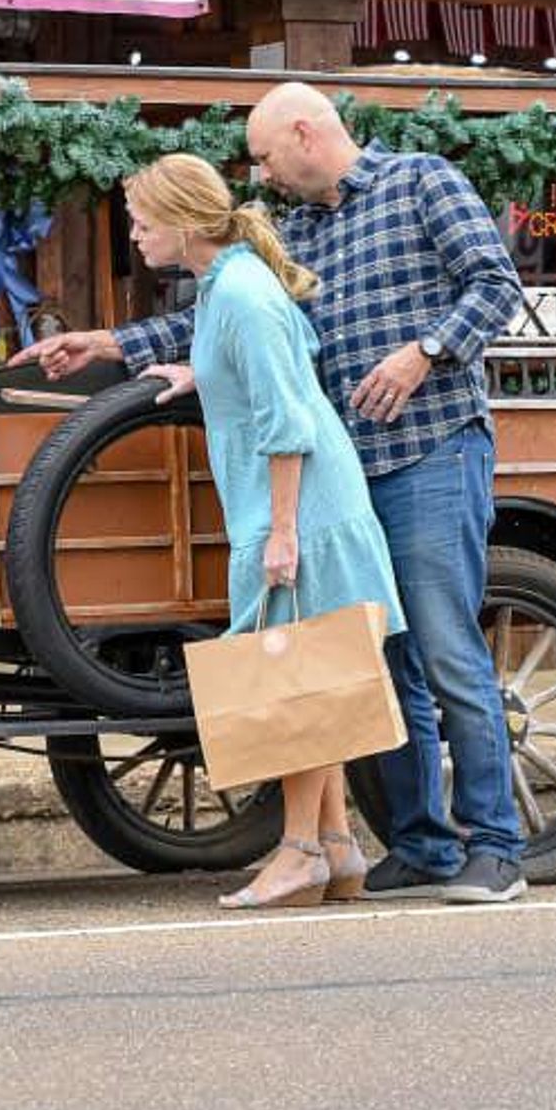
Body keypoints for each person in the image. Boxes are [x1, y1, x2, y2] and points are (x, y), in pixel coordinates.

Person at [14, 81, 529, 904]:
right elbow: (227, 321)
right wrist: (111, 343)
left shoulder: (421, 180)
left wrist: (423, 353)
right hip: (343, 465)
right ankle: (423, 844)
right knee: (374, 660)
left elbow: (496, 285)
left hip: (430, 448)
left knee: (445, 650)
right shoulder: (295, 230)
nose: (258, 174)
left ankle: (496, 847)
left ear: (303, 133)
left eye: (263, 156)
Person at [119, 153, 406, 911]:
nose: (135, 235)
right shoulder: (227, 287)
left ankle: (298, 851)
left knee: (296, 683)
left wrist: (282, 533)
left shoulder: (242, 293)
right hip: (297, 504)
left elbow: (287, 419)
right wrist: (201, 375)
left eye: (143, 223)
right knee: (317, 675)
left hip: (300, 508)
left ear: (184, 224)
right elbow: (281, 365)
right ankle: (338, 845)